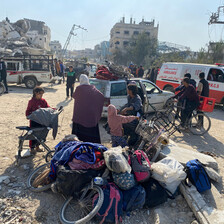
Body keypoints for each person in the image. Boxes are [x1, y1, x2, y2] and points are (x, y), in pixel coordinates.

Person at [72, 74, 104, 143]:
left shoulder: (79, 89)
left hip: (80, 117)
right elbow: (101, 96)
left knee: (80, 139)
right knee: (91, 138)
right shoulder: (93, 88)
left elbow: (73, 96)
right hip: (91, 117)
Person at [26, 86, 50, 152]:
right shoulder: (31, 101)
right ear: (36, 93)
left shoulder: (43, 101)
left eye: (42, 94)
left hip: (41, 121)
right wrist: (28, 115)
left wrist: (52, 110)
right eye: (40, 94)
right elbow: (28, 110)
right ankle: (32, 148)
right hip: (34, 121)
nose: (41, 95)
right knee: (33, 134)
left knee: (40, 134)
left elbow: (47, 107)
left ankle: (37, 147)